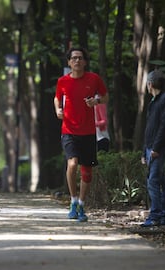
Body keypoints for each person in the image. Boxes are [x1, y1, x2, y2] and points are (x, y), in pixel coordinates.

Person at [53, 47, 108, 222]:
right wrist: (58, 110)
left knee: (87, 172)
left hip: (88, 131)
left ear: (85, 62)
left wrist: (96, 101)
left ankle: (82, 205)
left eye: (80, 58)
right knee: (72, 163)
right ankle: (73, 200)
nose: (77, 61)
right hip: (68, 130)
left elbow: (106, 97)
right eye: (74, 58)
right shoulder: (62, 81)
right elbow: (57, 98)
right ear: (69, 62)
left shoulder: (93, 79)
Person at [141, 69, 165, 227]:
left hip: (158, 148)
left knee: (153, 181)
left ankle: (155, 215)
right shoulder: (154, 101)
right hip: (151, 147)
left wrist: (155, 148)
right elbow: (150, 128)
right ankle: (164, 215)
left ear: (150, 84)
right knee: (159, 181)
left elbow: (164, 127)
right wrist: (145, 151)